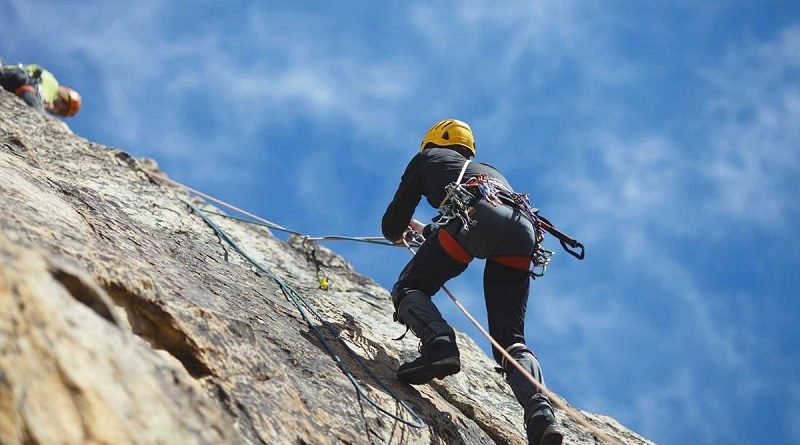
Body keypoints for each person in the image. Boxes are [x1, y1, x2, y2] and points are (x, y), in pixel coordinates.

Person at [382, 119, 563, 445]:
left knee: (410, 288)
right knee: (510, 341)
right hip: (522, 231)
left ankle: (439, 345)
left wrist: (400, 230)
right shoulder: (487, 170)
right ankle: (540, 415)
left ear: (432, 143)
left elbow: (393, 223)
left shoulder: (428, 158)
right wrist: (426, 231)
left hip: (477, 218)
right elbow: (481, 215)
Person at [0, 62, 81, 117]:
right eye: (64, 101)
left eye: (62, 111)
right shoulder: (53, 84)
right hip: (18, 79)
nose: (60, 107)